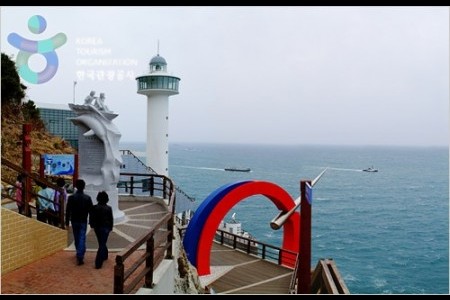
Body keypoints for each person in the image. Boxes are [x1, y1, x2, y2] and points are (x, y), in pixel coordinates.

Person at [66, 179, 93, 266]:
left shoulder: (71, 198)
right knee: (82, 237)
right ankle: (80, 254)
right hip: (83, 220)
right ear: (84, 187)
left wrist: (66, 222)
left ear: (76, 187)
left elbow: (68, 210)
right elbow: (91, 211)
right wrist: (92, 221)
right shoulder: (87, 198)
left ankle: (79, 252)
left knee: (77, 237)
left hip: (74, 220)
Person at [89, 191, 113, 269]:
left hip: (97, 227)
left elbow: (91, 217)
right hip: (105, 227)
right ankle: (98, 261)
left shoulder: (94, 207)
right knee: (102, 243)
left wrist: (92, 225)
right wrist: (110, 227)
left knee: (101, 242)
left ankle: (104, 255)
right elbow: (111, 219)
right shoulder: (108, 208)